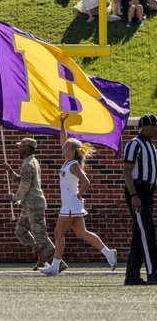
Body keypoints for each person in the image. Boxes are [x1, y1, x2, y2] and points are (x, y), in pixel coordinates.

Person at [39, 114, 118, 276]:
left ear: (73, 151)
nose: (63, 148)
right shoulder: (68, 161)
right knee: (82, 233)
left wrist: (79, 195)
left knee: (58, 233)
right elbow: (63, 140)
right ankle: (109, 253)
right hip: (71, 203)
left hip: (70, 203)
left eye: (66, 148)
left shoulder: (74, 166)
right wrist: (62, 124)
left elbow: (86, 182)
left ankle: (55, 266)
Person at [4, 137, 57, 270]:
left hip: (34, 205)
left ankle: (56, 259)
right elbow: (23, 181)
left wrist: (14, 198)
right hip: (28, 205)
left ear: (27, 148)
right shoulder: (32, 162)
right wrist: (11, 173)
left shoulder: (28, 164)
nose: (19, 148)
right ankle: (41, 254)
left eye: (21, 146)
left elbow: (25, 187)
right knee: (20, 230)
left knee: (40, 234)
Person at [122, 114, 157, 285]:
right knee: (147, 231)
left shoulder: (151, 146)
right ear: (145, 126)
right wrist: (134, 195)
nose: (156, 129)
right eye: (155, 126)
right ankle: (153, 273)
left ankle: (132, 275)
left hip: (148, 191)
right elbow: (127, 171)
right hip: (137, 190)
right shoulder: (134, 144)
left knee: (140, 232)